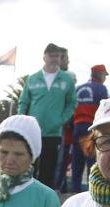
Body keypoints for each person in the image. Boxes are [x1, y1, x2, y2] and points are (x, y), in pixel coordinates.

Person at [18, 44, 76, 190]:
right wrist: (21, 122)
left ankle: (45, 199)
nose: (54, 59)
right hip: (32, 131)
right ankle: (25, 193)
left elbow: (72, 104)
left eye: (57, 56)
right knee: (29, 165)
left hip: (53, 132)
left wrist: (61, 119)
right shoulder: (32, 79)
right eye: (51, 55)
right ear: (44, 57)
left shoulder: (67, 80)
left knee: (48, 168)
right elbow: (23, 102)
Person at [70, 64, 110, 192]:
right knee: (91, 160)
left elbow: (71, 108)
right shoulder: (101, 88)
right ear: (99, 75)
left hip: (76, 126)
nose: (105, 78)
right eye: (104, 75)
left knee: (77, 160)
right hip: (91, 127)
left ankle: (74, 189)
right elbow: (104, 110)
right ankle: (91, 190)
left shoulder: (78, 88)